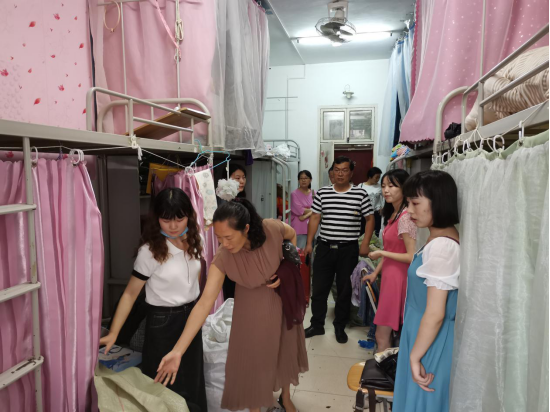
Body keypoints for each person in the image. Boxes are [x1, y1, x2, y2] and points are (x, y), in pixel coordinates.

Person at [153, 199, 309, 412]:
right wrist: (178, 351)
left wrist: (286, 267)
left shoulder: (271, 228)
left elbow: (291, 235)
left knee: (284, 349)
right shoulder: (224, 257)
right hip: (250, 312)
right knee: (253, 365)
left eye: (228, 237)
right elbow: (204, 303)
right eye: (219, 237)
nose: (224, 243)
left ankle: (286, 397)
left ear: (246, 228)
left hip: (280, 301)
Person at [99, 188, 207, 411]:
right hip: (163, 321)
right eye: (166, 220)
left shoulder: (197, 240)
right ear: (157, 219)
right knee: (165, 385)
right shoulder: (150, 251)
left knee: (193, 379)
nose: (173, 226)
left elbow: (196, 279)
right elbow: (129, 294)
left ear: (189, 216)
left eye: (179, 218)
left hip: (192, 318)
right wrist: (114, 332)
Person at [392, 171, 461, 412]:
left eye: (415, 203)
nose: (409, 210)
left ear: (439, 202)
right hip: (421, 332)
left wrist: (415, 356)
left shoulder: (442, 247)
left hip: (431, 338)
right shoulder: (436, 238)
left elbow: (435, 314)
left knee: (422, 402)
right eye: (408, 203)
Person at [304, 156, 375, 344]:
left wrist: (365, 243)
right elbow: (315, 218)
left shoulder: (360, 194)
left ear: (351, 173)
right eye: (337, 170)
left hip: (348, 249)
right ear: (332, 172)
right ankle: (317, 325)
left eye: (344, 170)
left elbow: (370, 219)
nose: (340, 174)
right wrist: (309, 243)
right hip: (325, 247)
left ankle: (339, 326)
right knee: (319, 288)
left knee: (345, 289)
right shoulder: (323, 193)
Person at [363, 169, 416, 352]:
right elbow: (391, 250)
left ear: (405, 188)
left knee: (382, 334)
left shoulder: (406, 217)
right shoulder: (393, 214)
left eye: (392, 186)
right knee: (386, 333)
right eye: (384, 186)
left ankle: (383, 368)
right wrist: (375, 273)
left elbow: (411, 256)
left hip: (398, 278)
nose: (386, 190)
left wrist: (381, 253)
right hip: (389, 276)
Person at [220, 164, 248, 299]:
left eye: (243, 177)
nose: (241, 181)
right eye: (237, 178)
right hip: (230, 251)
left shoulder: (242, 200)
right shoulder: (223, 202)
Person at [291, 170, 315, 250]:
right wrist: (313, 210)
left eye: (306, 178)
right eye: (301, 178)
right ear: (298, 180)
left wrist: (305, 215)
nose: (303, 180)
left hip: (313, 226)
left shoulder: (314, 193)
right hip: (299, 226)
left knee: (312, 251)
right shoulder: (294, 194)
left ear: (310, 180)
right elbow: (299, 210)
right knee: (300, 251)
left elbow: (319, 209)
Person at [359, 167, 384, 236]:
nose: (378, 179)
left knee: (375, 234)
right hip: (364, 214)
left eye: (379, 177)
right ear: (370, 176)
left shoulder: (380, 187)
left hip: (376, 214)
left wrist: (383, 207)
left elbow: (386, 198)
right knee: (363, 233)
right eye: (376, 177)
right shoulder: (361, 186)